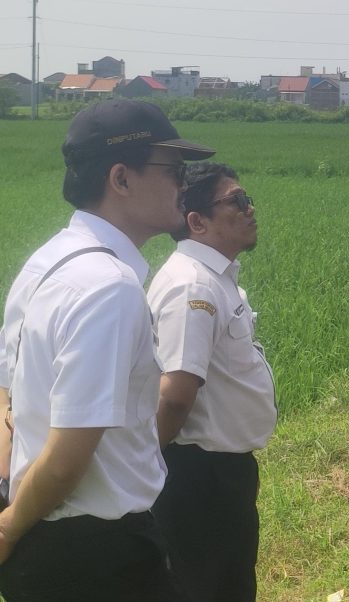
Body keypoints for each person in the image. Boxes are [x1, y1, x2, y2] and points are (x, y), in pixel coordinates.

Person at [0, 99, 214, 600]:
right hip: (97, 557)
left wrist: (9, 501)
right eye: (174, 170)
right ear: (120, 178)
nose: (184, 185)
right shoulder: (109, 287)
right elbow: (66, 455)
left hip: (45, 540)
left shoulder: (47, 262)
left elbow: (7, 396)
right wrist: (8, 529)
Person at [147, 162, 276, 602]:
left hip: (219, 473)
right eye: (236, 201)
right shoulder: (193, 287)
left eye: (247, 199)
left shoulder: (212, 280)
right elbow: (175, 396)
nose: (249, 208)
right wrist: (146, 464)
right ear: (197, 222)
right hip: (200, 478)